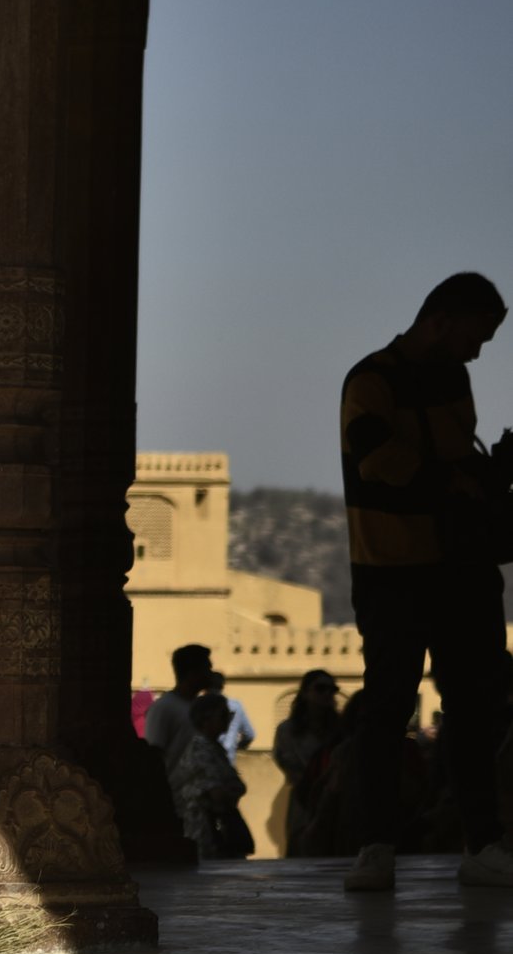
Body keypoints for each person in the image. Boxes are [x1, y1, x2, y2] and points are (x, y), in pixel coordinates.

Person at [338, 271, 513, 892]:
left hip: (457, 569)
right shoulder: (371, 380)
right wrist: (457, 484)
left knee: (472, 709)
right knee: (387, 710)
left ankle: (482, 843)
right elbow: (376, 462)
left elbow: (449, 460)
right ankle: (375, 845)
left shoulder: (451, 378)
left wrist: (483, 475)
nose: (478, 351)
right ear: (442, 320)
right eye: (478, 335)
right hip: (393, 570)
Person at [168, 693, 250, 860]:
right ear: (206, 719)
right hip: (205, 832)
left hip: (218, 830)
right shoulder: (200, 749)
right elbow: (217, 793)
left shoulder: (214, 748)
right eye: (223, 715)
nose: (228, 719)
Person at [272, 670, 343, 855]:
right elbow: (290, 766)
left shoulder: (340, 730)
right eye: (320, 688)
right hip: (304, 799)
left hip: (335, 801)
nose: (327, 693)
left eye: (332, 689)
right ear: (305, 693)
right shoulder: (287, 731)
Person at [142, 644, 213, 767]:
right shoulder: (163, 708)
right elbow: (154, 757)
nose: (210, 674)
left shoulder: (198, 707)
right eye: (207, 669)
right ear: (192, 673)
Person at [206, 670, 256, 757]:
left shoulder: (196, 706)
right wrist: (236, 747)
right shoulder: (235, 706)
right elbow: (249, 735)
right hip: (227, 762)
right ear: (222, 686)